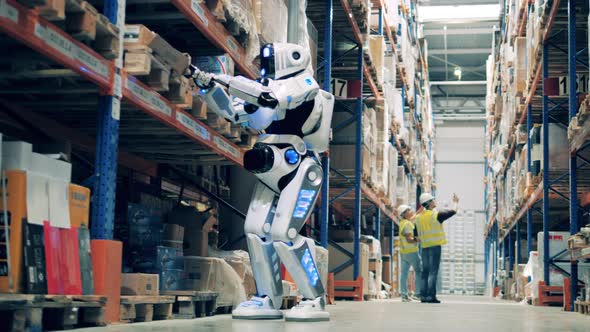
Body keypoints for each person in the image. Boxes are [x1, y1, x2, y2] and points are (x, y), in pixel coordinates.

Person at [415, 192, 459, 304]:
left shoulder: (418, 218)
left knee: (425, 272)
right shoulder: (436, 215)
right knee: (433, 272)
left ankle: (423, 296)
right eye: (432, 200)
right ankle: (431, 297)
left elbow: (415, 234)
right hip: (434, 247)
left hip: (424, 247)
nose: (434, 202)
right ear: (429, 203)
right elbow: (453, 211)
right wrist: (455, 202)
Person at [397, 204, 422, 302]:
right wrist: (418, 239)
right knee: (419, 271)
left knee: (404, 274)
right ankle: (417, 294)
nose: (411, 211)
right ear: (405, 213)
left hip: (404, 253)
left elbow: (415, 215)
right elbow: (409, 239)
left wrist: (422, 207)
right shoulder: (407, 224)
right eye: (409, 210)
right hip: (412, 252)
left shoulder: (404, 222)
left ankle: (404, 295)